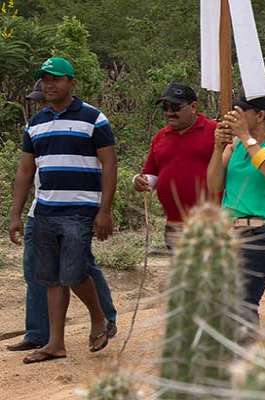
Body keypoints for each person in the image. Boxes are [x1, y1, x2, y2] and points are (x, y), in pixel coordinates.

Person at [8, 58, 117, 363]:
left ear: (71, 82)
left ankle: (98, 317)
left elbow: (109, 163)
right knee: (51, 278)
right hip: (44, 211)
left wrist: (104, 210)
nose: (49, 84)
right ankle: (55, 343)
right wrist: (15, 214)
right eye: (44, 79)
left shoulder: (94, 118)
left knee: (74, 273)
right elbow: (25, 171)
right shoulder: (36, 123)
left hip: (80, 210)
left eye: (55, 79)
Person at [207, 93, 265, 329]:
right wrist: (218, 148)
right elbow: (214, 185)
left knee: (241, 305)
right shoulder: (234, 147)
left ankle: (245, 359)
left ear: (259, 115)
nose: (233, 117)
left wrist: (246, 137)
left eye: (240, 111)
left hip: (260, 235)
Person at [133, 83, 217, 250]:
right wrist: (139, 180)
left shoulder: (215, 131)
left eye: (175, 107)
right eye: (165, 107)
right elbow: (151, 174)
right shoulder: (160, 136)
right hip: (174, 226)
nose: (169, 113)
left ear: (193, 107)